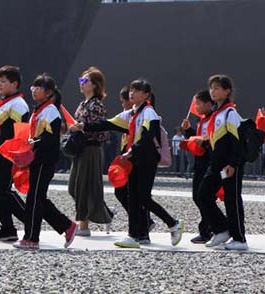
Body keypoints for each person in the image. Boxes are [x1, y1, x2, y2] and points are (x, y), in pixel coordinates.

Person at [74, 78, 182, 249]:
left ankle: (173, 223)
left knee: (143, 197)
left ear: (146, 95)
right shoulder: (131, 114)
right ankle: (134, 235)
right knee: (132, 197)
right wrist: (83, 126)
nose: (132, 93)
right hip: (134, 159)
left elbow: (147, 137)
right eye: (131, 90)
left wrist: (132, 150)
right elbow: (107, 123)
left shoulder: (149, 113)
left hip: (146, 159)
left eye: (137, 90)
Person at [16, 74, 76, 250]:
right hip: (37, 159)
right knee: (37, 197)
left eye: (39, 87)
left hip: (44, 160)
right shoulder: (39, 110)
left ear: (49, 92)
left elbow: (48, 139)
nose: (34, 90)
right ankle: (66, 225)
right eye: (33, 86)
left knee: (34, 198)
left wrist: (30, 145)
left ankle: (32, 238)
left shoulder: (50, 111)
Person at [197, 74, 247, 250]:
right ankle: (222, 229)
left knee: (232, 201)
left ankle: (240, 239)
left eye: (217, 88)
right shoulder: (216, 113)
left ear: (227, 91)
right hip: (216, 165)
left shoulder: (230, 113)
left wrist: (233, 164)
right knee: (202, 195)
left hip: (229, 166)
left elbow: (237, 142)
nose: (213, 91)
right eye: (211, 88)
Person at [68, 67, 114, 237]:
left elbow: (100, 128)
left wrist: (81, 127)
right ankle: (106, 214)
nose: (81, 84)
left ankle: (83, 225)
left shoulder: (97, 105)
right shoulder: (83, 104)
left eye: (85, 81)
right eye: (81, 80)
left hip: (91, 148)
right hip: (80, 148)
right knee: (74, 187)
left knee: (83, 187)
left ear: (94, 85)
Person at [0, 65, 28, 242]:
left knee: (2, 191)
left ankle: (29, 220)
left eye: (4, 81)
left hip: (9, 154)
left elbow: (18, 132)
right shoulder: (4, 103)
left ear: (15, 84)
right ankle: (7, 228)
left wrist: (14, 155)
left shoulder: (18, 104)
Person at [181, 90, 214, 244]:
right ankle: (212, 228)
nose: (197, 106)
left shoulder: (214, 118)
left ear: (209, 103)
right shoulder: (202, 120)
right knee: (198, 197)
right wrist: (188, 131)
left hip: (210, 162)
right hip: (200, 162)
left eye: (199, 103)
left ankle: (210, 229)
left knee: (205, 197)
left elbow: (211, 140)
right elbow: (198, 138)